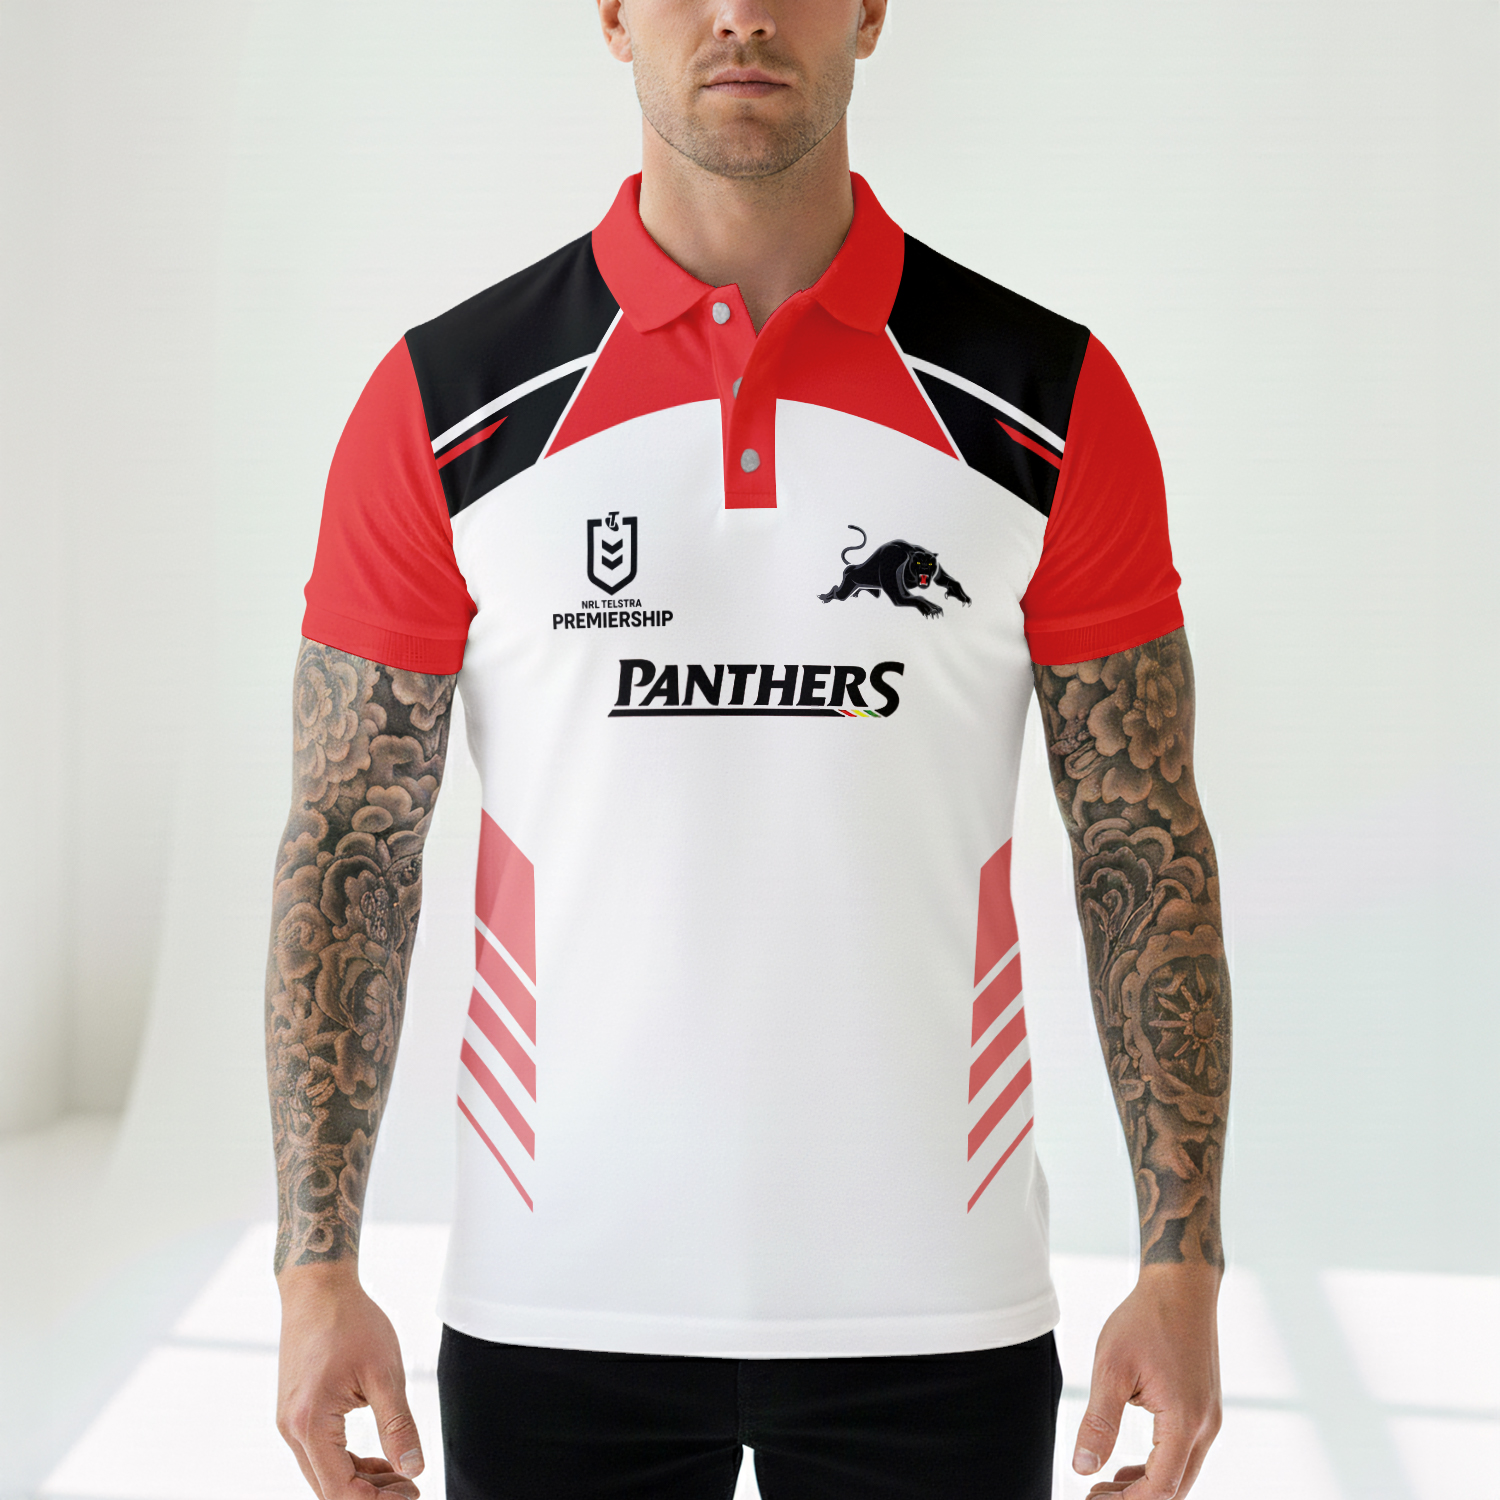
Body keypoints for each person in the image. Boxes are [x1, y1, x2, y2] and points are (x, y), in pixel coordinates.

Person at [266, 3, 1231, 1497]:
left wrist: (1184, 1267)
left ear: (870, 11)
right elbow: (351, 843)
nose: (740, 14)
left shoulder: (1047, 402)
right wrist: (315, 1270)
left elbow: (1141, 843)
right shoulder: (445, 405)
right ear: (610, 15)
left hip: (940, 1312)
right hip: (552, 1303)